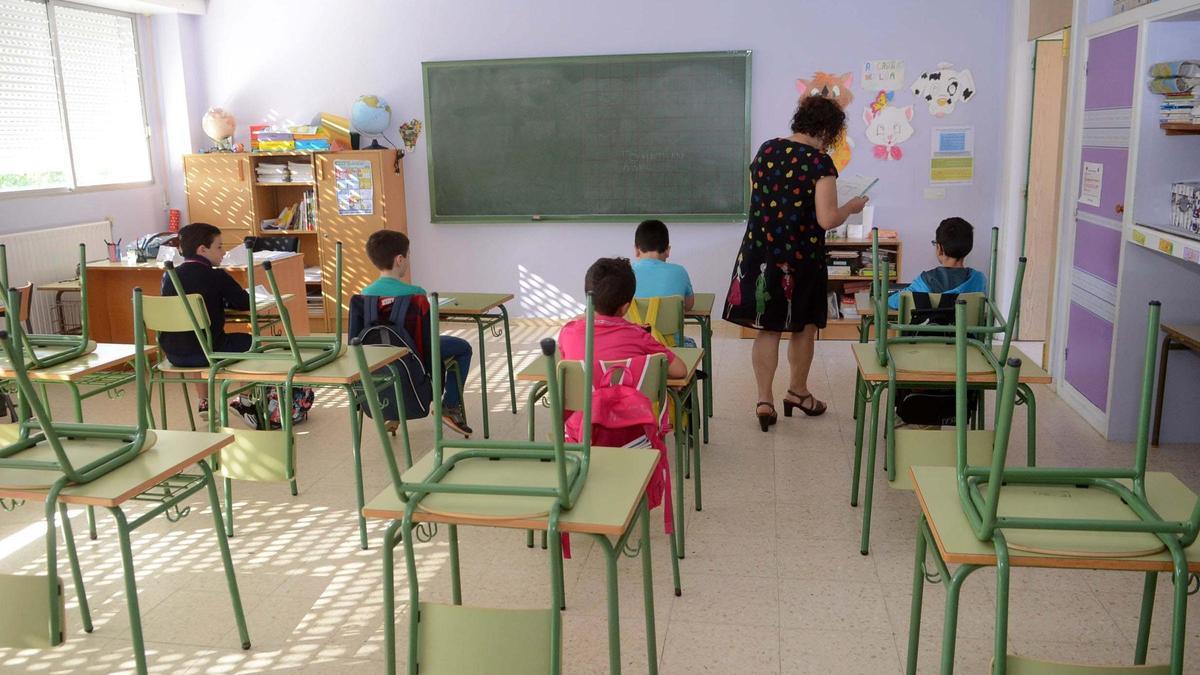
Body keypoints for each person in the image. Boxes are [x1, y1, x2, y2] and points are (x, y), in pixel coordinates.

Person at [722, 95, 868, 432]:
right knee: (802, 327)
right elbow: (828, 218)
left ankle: (763, 400)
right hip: (800, 258)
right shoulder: (820, 163)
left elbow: (758, 200)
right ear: (829, 130)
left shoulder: (766, 151)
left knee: (767, 327)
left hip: (759, 254)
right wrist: (852, 207)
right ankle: (798, 392)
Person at [362, 230, 473, 436]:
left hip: (378, 360)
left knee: (396, 356)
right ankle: (449, 406)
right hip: (415, 357)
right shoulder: (416, 294)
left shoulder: (364, 296)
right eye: (408, 256)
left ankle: (394, 413)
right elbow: (427, 333)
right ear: (400, 259)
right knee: (463, 348)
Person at [159, 222, 250, 420]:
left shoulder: (169, 277)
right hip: (209, 351)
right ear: (202, 249)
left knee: (193, 336)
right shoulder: (215, 275)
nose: (223, 252)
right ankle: (244, 401)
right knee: (253, 343)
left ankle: (204, 402)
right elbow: (244, 303)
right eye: (219, 247)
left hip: (174, 354)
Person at [558, 257, 688, 381]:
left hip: (580, 404)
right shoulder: (638, 335)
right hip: (630, 404)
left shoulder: (568, 332)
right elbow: (680, 371)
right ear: (626, 307)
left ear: (588, 297)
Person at [887, 217, 986, 310]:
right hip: (966, 328)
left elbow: (894, 302)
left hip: (931, 327)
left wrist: (891, 295)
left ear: (940, 248)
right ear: (968, 249)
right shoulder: (979, 280)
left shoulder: (926, 281)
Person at [632, 219, 696, 347]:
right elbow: (688, 306)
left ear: (637, 250)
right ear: (667, 250)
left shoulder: (623, 274)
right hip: (671, 345)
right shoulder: (679, 272)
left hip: (633, 344)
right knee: (691, 344)